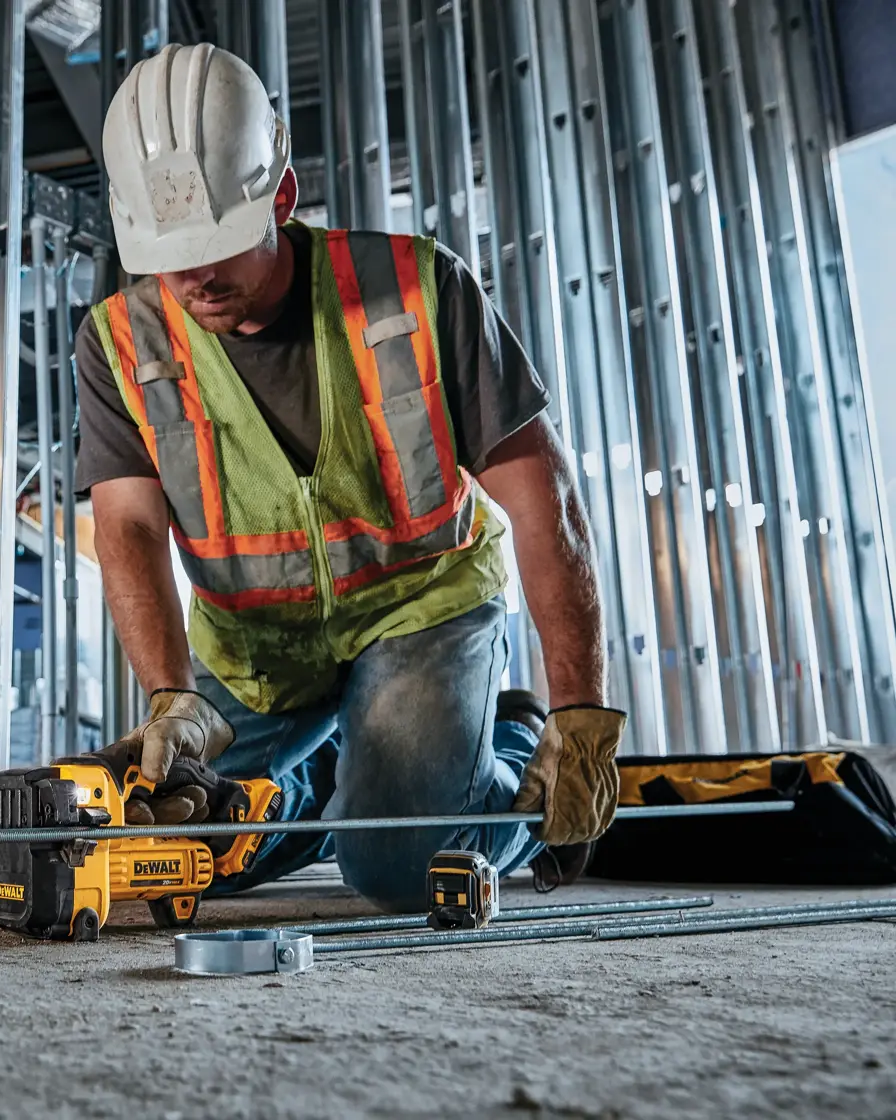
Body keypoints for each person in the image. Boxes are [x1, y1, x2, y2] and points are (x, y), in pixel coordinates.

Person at [74, 42, 626, 912]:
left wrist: (579, 715)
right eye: (167, 253)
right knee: (172, 850)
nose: (194, 277)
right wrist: (171, 698)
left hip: (422, 614)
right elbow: (128, 530)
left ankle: (505, 744)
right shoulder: (121, 344)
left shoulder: (418, 289)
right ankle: (345, 774)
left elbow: (542, 499)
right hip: (259, 650)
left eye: (216, 244)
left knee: (399, 872)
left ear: (281, 196)